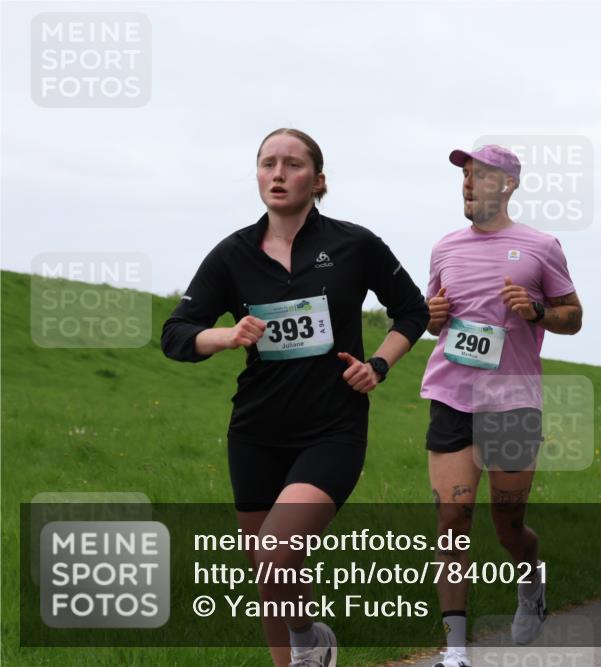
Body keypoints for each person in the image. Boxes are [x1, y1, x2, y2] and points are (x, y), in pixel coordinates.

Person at [161, 128, 429, 667]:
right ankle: (304, 648)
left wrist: (378, 365)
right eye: (267, 163)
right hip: (256, 431)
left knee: (275, 551)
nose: (277, 173)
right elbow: (176, 333)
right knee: (272, 573)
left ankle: (310, 638)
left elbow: (413, 310)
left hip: (332, 428)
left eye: (292, 164)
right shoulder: (233, 253)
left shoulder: (354, 245)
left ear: (319, 180)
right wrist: (227, 336)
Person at [420, 144, 583, 667]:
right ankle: (455, 650)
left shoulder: (540, 246)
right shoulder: (444, 248)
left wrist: (536, 311)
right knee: (452, 517)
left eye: (481, 177)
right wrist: (434, 316)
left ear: (508, 184)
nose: (468, 185)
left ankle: (531, 576)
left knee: (506, 523)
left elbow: (573, 316)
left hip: (512, 400)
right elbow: (433, 320)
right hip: (452, 396)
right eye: (465, 177)